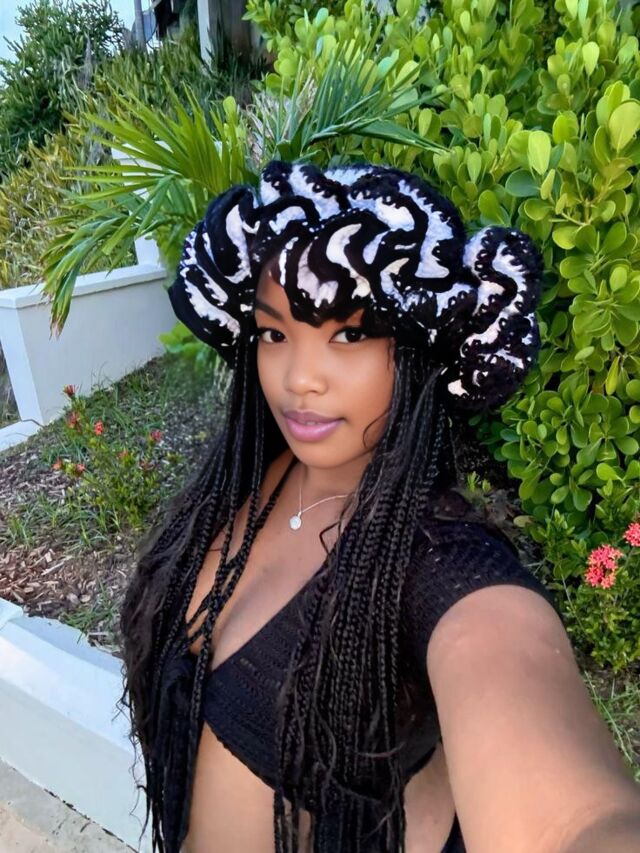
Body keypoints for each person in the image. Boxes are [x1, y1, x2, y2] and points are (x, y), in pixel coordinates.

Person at [119, 161, 640, 853]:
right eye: (274, 333)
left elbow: (567, 819)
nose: (299, 378)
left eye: (349, 334)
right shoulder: (254, 475)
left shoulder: (438, 563)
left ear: (419, 345)